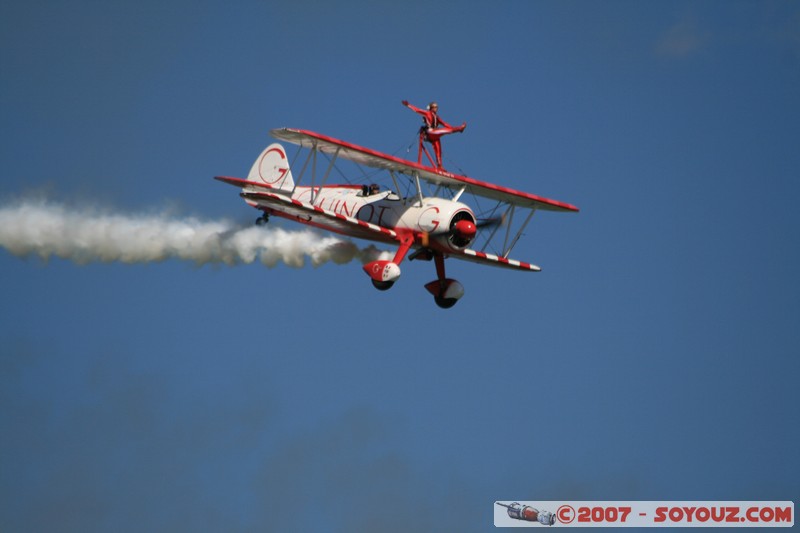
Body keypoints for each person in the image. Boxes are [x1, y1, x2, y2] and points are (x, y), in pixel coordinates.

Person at [402, 100, 466, 169]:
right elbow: (417, 110)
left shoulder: (437, 117)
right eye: (435, 107)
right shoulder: (427, 113)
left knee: (438, 149)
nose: (436, 108)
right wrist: (408, 105)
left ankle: (439, 166)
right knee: (443, 131)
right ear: (431, 108)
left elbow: (445, 124)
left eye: (437, 107)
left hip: (435, 135)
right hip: (430, 132)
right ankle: (459, 129)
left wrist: (452, 128)